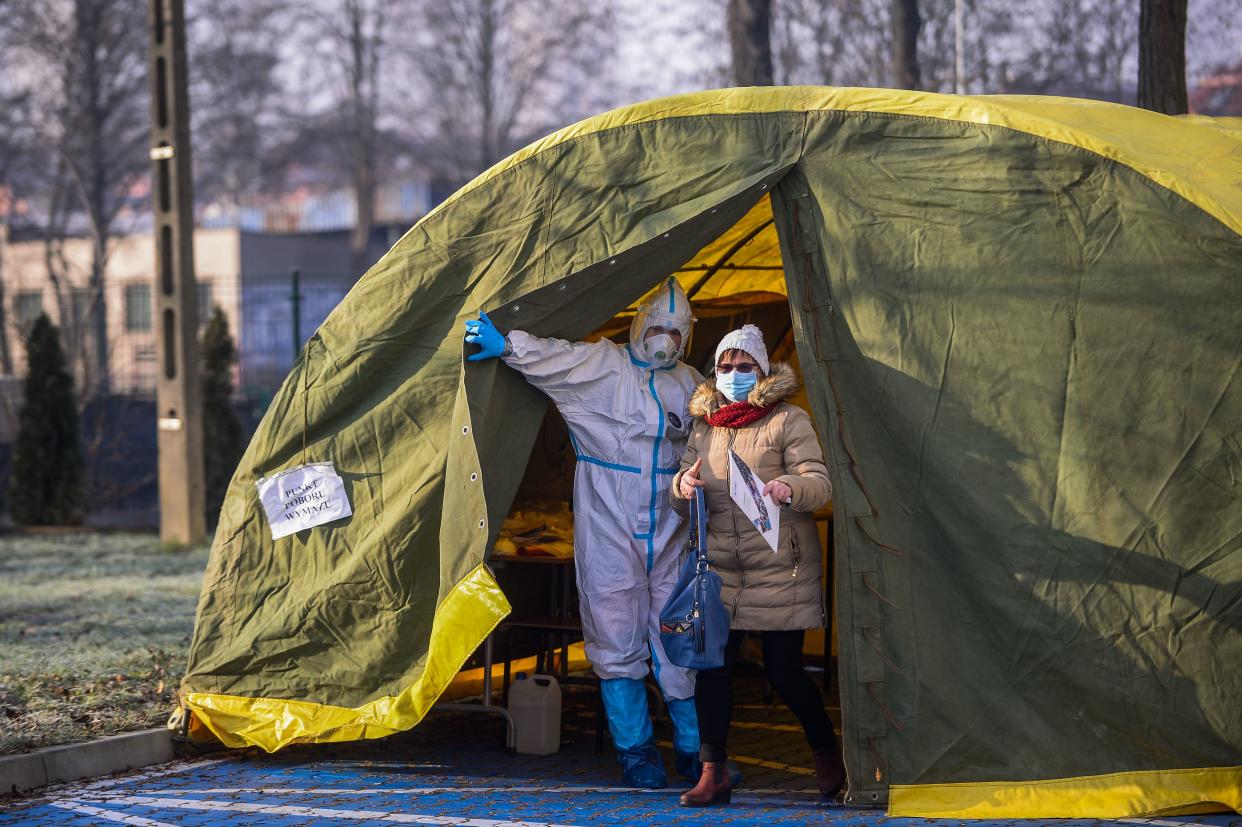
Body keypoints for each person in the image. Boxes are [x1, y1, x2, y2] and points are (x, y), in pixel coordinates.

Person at [464, 278, 703, 789]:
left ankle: (693, 749)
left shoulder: (691, 384)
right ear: (638, 326)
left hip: (672, 523)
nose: (665, 340)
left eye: (676, 333)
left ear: (688, 339)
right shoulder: (602, 366)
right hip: (608, 519)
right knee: (614, 631)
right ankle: (636, 751)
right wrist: (506, 346)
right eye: (657, 328)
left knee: (679, 634)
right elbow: (554, 358)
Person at [671, 323, 846, 807]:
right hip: (721, 570)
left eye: (743, 366)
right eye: (725, 367)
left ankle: (826, 749)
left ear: (761, 370)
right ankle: (714, 772)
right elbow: (680, 489)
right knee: (713, 669)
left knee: (785, 671)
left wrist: (791, 487)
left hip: (779, 568)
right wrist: (682, 488)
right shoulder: (706, 426)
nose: (732, 374)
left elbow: (819, 481)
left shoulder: (788, 420)